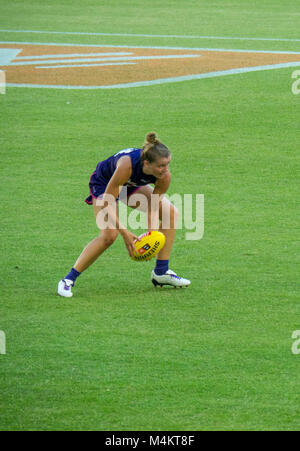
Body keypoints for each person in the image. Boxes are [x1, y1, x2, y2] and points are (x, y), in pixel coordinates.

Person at [58, 132, 191, 298]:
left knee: (170, 212)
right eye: (161, 166)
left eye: (168, 164)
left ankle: (161, 272)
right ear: (147, 163)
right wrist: (125, 232)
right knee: (109, 236)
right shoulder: (126, 166)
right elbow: (108, 200)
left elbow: (153, 207)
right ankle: (68, 279)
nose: (166, 170)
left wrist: (152, 237)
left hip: (130, 185)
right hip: (105, 184)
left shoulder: (164, 177)